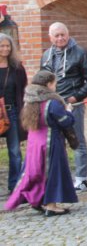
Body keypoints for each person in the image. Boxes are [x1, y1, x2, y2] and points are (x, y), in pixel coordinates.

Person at [5, 70, 78, 216]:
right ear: (48, 84)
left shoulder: (29, 101)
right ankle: (51, 205)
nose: (55, 86)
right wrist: (69, 111)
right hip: (50, 142)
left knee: (34, 172)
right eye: (54, 83)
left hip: (34, 143)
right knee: (52, 172)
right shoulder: (52, 103)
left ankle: (38, 200)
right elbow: (65, 121)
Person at [40, 22, 87, 192]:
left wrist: (76, 96)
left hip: (73, 104)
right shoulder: (46, 55)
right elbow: (42, 80)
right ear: (50, 37)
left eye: (63, 34)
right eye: (56, 35)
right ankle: (61, 178)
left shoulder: (80, 52)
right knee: (56, 143)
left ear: (68, 34)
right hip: (53, 105)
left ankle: (81, 179)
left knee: (76, 140)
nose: (60, 38)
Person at [0, 33, 27, 193]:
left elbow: (22, 89)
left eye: (7, 46)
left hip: (12, 111)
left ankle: (15, 185)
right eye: (2, 46)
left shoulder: (17, 68)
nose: (5, 49)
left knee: (15, 150)